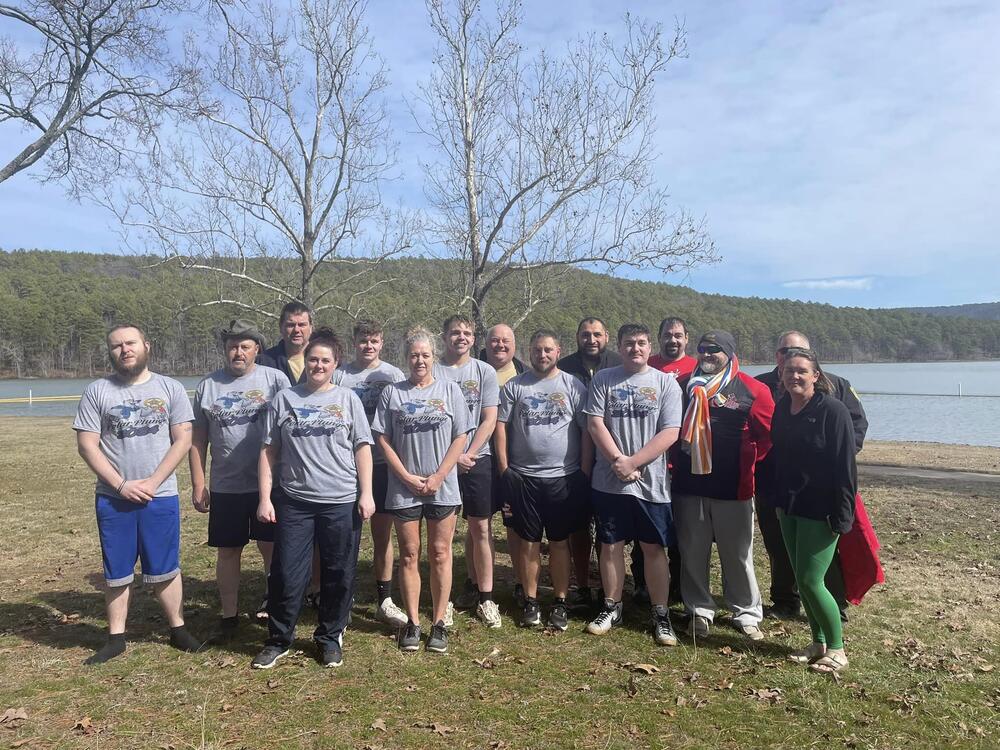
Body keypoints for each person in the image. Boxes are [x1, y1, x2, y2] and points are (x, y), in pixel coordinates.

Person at [73, 324, 200, 664]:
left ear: (147, 346)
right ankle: (116, 637)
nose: (124, 350)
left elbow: (183, 440)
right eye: (116, 346)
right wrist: (121, 485)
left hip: (160, 495)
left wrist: (153, 482)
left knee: (165, 566)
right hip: (114, 498)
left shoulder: (170, 388)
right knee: (116, 569)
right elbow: (87, 445)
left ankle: (178, 629)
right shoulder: (97, 391)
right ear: (111, 352)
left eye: (130, 343)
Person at [251, 329, 375, 669]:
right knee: (287, 573)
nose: (317, 365)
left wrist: (367, 493)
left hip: (340, 501)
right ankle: (279, 638)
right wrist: (266, 498)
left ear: (335, 364)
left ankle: (329, 636)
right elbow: (268, 451)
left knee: (338, 572)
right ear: (304, 361)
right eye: (312, 359)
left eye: (325, 360)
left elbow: (362, 448)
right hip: (295, 501)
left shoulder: (348, 400)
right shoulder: (285, 400)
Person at [755, 331, 867, 622]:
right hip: (774, 484)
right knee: (779, 547)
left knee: (822, 551)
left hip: (819, 488)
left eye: (796, 351)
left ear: (812, 363)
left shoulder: (836, 385)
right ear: (776, 355)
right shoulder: (759, 386)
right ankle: (785, 601)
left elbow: (856, 425)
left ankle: (833, 603)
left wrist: (832, 457)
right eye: (784, 351)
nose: (789, 358)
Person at [373, 327, 471, 653]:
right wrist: (404, 475)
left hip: (442, 486)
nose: (420, 360)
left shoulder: (450, 390)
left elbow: (460, 436)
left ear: (434, 357)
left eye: (425, 355)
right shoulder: (393, 393)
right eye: (414, 355)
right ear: (406, 358)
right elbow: (382, 439)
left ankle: (440, 622)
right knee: (409, 554)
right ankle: (414, 623)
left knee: (441, 553)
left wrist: (440, 475)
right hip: (404, 488)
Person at [583, 323, 683, 646]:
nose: (635, 348)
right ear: (620, 346)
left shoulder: (665, 383)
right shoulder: (603, 379)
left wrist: (634, 462)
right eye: (629, 343)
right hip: (609, 482)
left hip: (650, 484)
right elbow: (594, 422)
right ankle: (612, 606)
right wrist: (617, 461)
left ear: (649, 346)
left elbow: (670, 432)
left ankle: (660, 612)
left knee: (652, 548)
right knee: (610, 545)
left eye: (641, 343)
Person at [190, 320, 290, 638]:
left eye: (245, 346)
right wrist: (198, 483)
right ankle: (229, 614)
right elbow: (198, 440)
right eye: (233, 346)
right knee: (228, 550)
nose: (238, 352)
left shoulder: (276, 380)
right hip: (226, 485)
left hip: (269, 483)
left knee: (270, 546)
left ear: (256, 349)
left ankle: (275, 604)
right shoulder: (209, 386)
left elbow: (292, 429)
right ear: (225, 349)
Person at [672, 331, 773, 641]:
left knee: (738, 553)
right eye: (703, 349)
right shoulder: (683, 385)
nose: (707, 355)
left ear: (729, 353)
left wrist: (746, 463)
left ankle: (745, 611)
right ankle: (699, 609)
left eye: (715, 350)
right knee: (693, 551)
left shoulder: (753, 389)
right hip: (690, 485)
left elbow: (767, 437)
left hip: (734, 487)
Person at [495, 330, 593, 630]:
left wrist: (584, 471)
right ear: (530, 351)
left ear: (558, 351)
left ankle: (561, 601)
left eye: (548, 350)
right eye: (537, 350)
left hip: (563, 477)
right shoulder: (514, 386)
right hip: (524, 478)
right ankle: (531, 600)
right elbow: (500, 427)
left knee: (560, 542)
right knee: (529, 543)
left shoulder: (573, 385)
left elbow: (586, 431)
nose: (542, 355)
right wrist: (504, 470)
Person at [770, 347, 857, 673]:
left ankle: (837, 649)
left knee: (810, 580)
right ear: (782, 374)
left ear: (816, 376)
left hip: (822, 509)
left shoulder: (832, 411)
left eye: (801, 371)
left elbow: (845, 466)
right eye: (789, 370)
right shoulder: (782, 408)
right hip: (789, 506)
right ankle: (818, 642)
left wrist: (843, 514)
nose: (794, 376)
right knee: (800, 577)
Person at [332, 320, 408, 629]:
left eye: (374, 340)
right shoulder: (340, 376)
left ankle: (384, 599)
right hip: (345, 466)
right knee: (345, 537)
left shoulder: (393, 375)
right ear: (355, 341)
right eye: (364, 340)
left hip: (382, 465)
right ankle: (342, 599)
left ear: (382, 342)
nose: (369, 345)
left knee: (382, 534)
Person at [435, 314, 503, 628]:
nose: (460, 337)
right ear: (444, 336)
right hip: (441, 462)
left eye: (466, 333)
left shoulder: (484, 370)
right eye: (454, 332)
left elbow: (490, 418)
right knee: (443, 535)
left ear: (473, 339)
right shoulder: (433, 369)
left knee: (481, 529)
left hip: (478, 459)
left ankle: (486, 597)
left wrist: (469, 453)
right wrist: (452, 458)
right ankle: (445, 598)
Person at [558, 317, 623, 610]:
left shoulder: (621, 365)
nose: (591, 339)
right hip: (574, 460)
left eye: (597, 334)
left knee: (609, 529)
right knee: (579, 528)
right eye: (585, 334)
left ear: (606, 336)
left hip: (615, 458)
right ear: (577, 337)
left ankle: (610, 589)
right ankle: (583, 585)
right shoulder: (566, 368)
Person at [635, 316, 695, 605]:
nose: (673, 340)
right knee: (643, 528)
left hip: (682, 461)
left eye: (678, 335)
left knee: (680, 530)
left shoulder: (697, 369)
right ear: (658, 338)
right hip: (647, 461)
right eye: (668, 335)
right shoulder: (648, 365)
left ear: (686, 339)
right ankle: (641, 584)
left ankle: (678, 586)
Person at [480, 323, 528, 608]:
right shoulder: (475, 371)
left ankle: (521, 582)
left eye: (505, 340)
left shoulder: (524, 374)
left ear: (514, 344)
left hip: (515, 461)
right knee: (480, 524)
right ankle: (477, 583)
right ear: (486, 344)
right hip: (480, 459)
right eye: (494, 340)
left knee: (515, 526)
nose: (500, 345)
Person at [262, 301, 313, 384]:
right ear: (281, 327)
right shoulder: (265, 361)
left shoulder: (325, 360)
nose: (296, 330)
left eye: (302, 325)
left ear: (311, 327)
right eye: (290, 325)